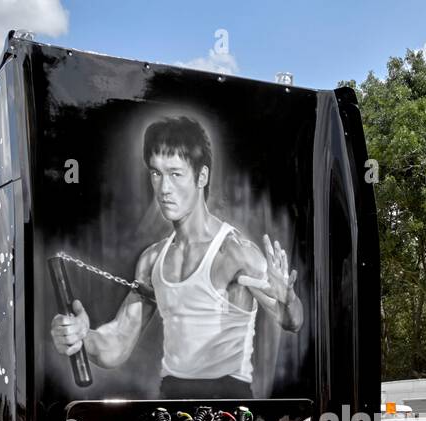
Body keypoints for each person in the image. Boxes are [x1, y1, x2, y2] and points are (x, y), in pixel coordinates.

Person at [51, 115, 305, 399]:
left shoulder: (235, 253)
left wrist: (289, 299)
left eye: (175, 173)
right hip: (171, 403)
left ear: (202, 176)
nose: (163, 189)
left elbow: (291, 321)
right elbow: (118, 343)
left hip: (228, 405)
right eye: (156, 173)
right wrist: (82, 337)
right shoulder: (152, 260)